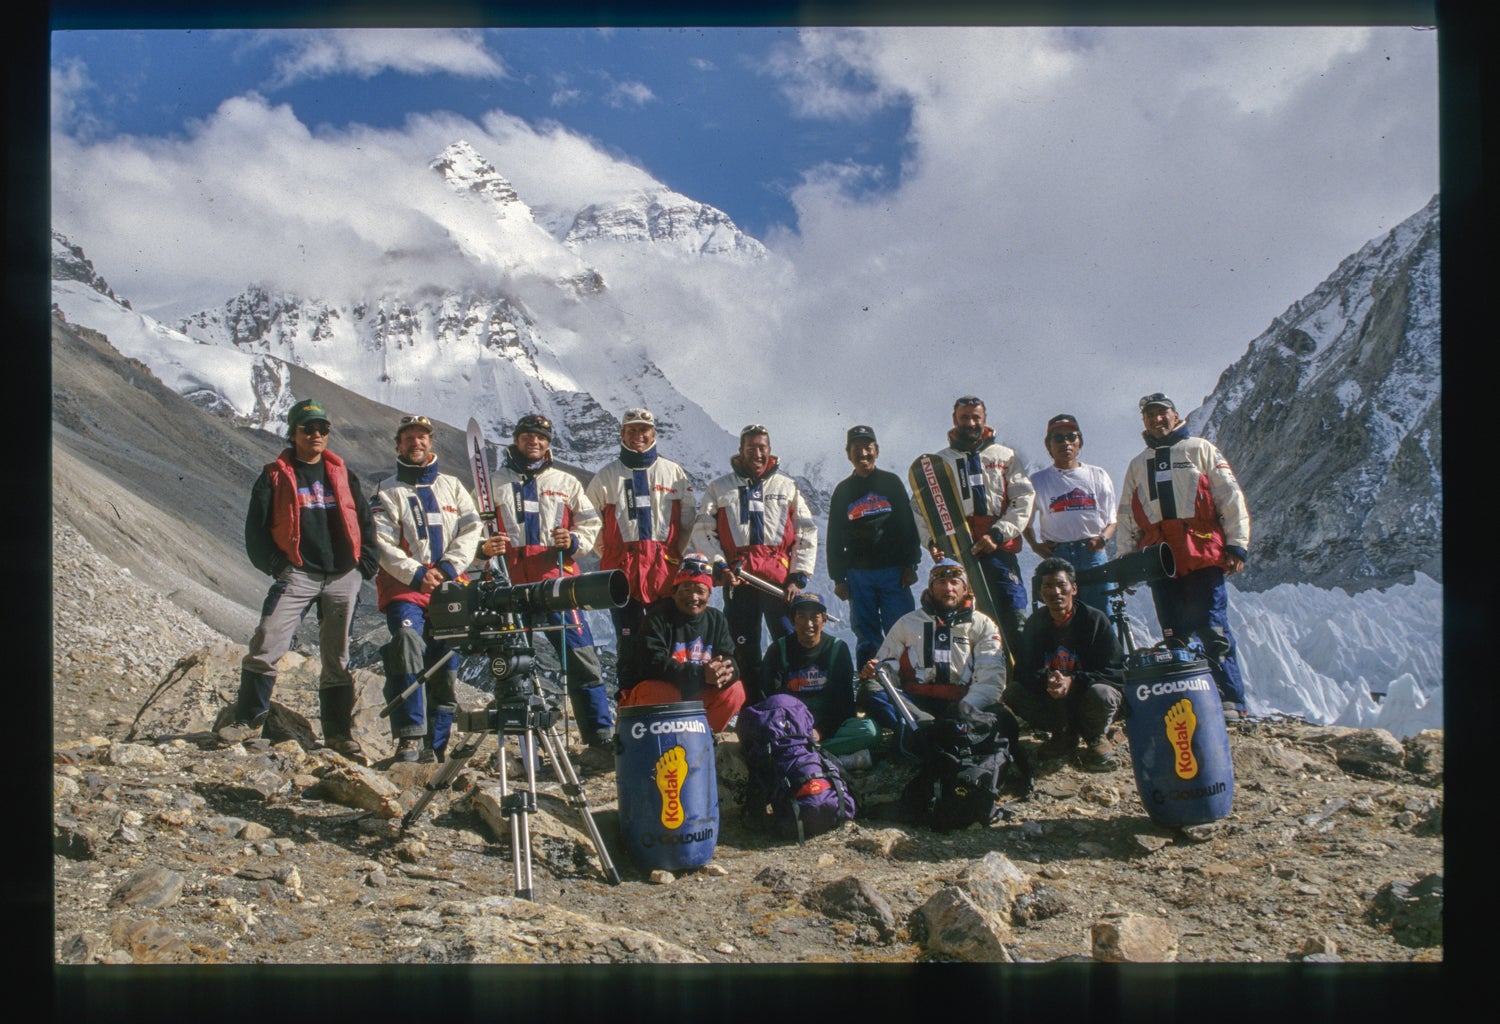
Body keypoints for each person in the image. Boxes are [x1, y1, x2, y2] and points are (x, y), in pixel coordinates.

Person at [224, 399, 378, 756]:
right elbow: (255, 531)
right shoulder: (275, 475)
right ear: (292, 433)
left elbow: (365, 520)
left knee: (337, 656)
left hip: (342, 575)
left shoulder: (341, 473)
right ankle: (247, 721)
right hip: (298, 572)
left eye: (322, 428)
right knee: (267, 639)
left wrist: (364, 566)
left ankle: (339, 735)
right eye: (308, 428)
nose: (316, 435)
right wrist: (278, 566)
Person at [476, 413, 614, 747]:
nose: (533, 442)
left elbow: (591, 522)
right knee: (511, 662)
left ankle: (599, 734)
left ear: (548, 443)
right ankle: (517, 741)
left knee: (581, 656)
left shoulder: (566, 483)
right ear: (516, 440)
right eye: (527, 436)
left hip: (557, 581)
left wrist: (575, 540)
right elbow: (472, 524)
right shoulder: (493, 483)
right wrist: (484, 548)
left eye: (540, 437)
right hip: (509, 583)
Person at [1117, 392, 1252, 720]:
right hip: (1159, 562)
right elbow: (1127, 516)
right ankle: (1188, 698)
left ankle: (1231, 701)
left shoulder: (1201, 450)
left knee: (1213, 629)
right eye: (1149, 415)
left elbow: (1229, 496)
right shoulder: (1137, 465)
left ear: (1176, 416)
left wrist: (1236, 544)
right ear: (1144, 422)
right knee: (1173, 633)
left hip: (1202, 554)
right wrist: (1126, 564)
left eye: (1162, 413)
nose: (1156, 420)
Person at [370, 414, 484, 763]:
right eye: (409, 438)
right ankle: (409, 738)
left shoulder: (453, 486)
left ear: (431, 442)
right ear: (398, 445)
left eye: (422, 437)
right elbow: (382, 543)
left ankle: (435, 748)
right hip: (406, 590)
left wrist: (449, 567)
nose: (416, 443)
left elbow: (471, 528)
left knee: (445, 665)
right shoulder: (386, 491)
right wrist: (417, 573)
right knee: (406, 646)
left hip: (451, 589)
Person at [691, 424, 818, 702]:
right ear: (741, 451)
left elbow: (806, 531)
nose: (757, 454)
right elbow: (703, 531)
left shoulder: (787, 487)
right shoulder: (719, 488)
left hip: (779, 585)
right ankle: (754, 709)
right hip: (739, 581)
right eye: (751, 449)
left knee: (787, 643)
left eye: (762, 448)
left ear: (770, 451)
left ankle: (792, 705)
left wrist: (798, 576)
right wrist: (720, 566)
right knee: (743, 646)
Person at [914, 396, 1035, 671]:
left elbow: (1023, 499)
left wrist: (997, 534)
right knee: (968, 620)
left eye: (975, 417)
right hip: (960, 552)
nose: (970, 423)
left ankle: (1026, 681)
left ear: (984, 418)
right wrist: (933, 542)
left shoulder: (1005, 456)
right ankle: (977, 682)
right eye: (964, 417)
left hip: (998, 550)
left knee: (1013, 613)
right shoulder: (939, 463)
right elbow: (920, 510)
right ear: (955, 419)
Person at [584, 407, 696, 693]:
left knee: (667, 643)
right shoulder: (605, 477)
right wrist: (611, 556)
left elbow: (688, 524)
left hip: (663, 576)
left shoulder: (673, 473)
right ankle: (629, 708)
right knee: (628, 644)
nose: (638, 436)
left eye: (643, 430)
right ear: (621, 434)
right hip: (622, 577)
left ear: (653, 434)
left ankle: (668, 706)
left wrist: (673, 558)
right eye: (631, 430)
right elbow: (589, 524)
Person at [857, 559, 1008, 745]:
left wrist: (965, 708)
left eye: (954, 582)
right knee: (870, 690)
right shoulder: (908, 623)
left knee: (998, 712)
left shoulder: (982, 625)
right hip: (916, 704)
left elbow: (991, 678)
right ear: (930, 588)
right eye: (941, 583)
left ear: (966, 588)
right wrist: (877, 672)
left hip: (963, 704)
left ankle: (922, 735)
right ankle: (926, 727)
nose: (948, 589)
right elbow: (888, 666)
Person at [1007, 557, 1126, 770]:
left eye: (1061, 585)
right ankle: (1063, 734)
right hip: (1054, 699)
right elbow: (1024, 670)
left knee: (1103, 694)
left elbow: (1115, 671)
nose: (1055, 592)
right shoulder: (1035, 624)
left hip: (1087, 696)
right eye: (1048, 586)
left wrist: (1074, 681)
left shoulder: (1094, 620)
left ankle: (1094, 734)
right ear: (1041, 593)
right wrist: (1047, 680)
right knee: (1014, 692)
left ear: (1074, 588)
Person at [620, 554, 747, 733]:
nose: (693, 597)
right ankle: (664, 739)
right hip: (661, 695)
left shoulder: (716, 619)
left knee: (735, 691)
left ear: (709, 595)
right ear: (674, 593)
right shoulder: (658, 618)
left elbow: (729, 657)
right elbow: (652, 663)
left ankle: (704, 736)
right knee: (660, 691)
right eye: (686, 590)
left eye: (700, 591)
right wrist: (702, 674)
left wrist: (724, 672)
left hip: (695, 693)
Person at [827, 425, 920, 666]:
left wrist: (911, 564)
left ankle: (906, 679)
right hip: (859, 575)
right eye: (856, 449)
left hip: (894, 572)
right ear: (848, 454)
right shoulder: (843, 491)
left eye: (868, 448)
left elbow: (908, 526)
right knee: (866, 633)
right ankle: (872, 684)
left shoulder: (891, 483)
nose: (863, 454)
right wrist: (838, 578)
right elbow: (835, 537)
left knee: (901, 626)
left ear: (877, 451)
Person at [760, 592, 880, 768]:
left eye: (814, 617)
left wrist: (821, 731)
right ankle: (831, 759)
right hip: (791, 725)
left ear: (824, 620)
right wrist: (797, 728)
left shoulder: (837, 648)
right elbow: (770, 698)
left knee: (869, 731)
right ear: (792, 621)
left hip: (827, 723)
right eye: (801, 617)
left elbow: (844, 703)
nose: (808, 624)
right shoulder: (778, 649)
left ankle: (801, 754)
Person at [1023, 413, 1117, 615]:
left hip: (1093, 555)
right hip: (1059, 556)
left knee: (1102, 614)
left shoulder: (1098, 475)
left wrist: (1102, 539)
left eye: (1071, 437)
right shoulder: (1037, 480)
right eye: (1058, 438)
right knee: (1063, 616)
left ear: (1079, 442)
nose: (1065, 443)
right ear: (1048, 446)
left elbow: (1112, 520)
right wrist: (1035, 546)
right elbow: (1025, 522)